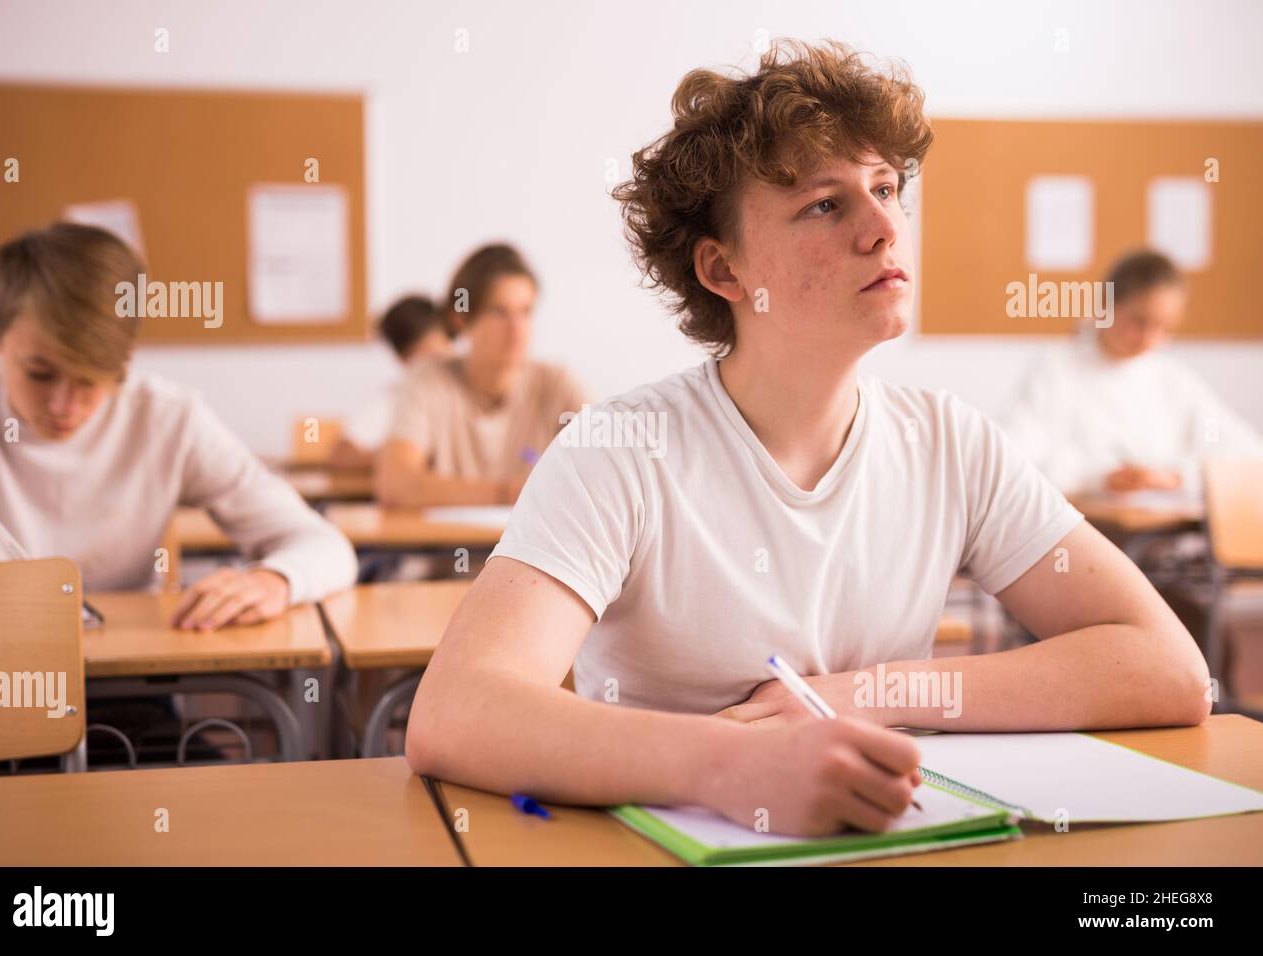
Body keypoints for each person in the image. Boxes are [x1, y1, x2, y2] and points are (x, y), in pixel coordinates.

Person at [405, 40, 1210, 838]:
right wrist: (726, 765)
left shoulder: (951, 443)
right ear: (725, 272)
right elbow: (457, 712)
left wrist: (865, 695)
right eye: (827, 204)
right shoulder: (623, 449)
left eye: (887, 188)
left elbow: (1171, 671)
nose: (885, 228)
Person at [0, 222, 357, 631]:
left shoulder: (167, 418)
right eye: (40, 374)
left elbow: (325, 545)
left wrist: (274, 580)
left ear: (127, 357)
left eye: (92, 378)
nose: (64, 405)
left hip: (130, 675)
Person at [1003, 249, 1263, 497]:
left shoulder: (1170, 379)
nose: (1149, 339)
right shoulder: (1057, 371)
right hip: (1089, 528)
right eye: (1139, 322)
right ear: (1106, 304)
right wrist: (1097, 478)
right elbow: (1018, 459)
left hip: (1164, 528)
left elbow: (1232, 444)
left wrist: (1177, 476)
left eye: (1165, 327)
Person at [374, 243, 588, 507]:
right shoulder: (429, 381)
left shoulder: (557, 383)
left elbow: (606, 469)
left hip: (536, 547)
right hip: (447, 545)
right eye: (499, 312)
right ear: (461, 319)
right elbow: (397, 485)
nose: (517, 329)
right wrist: (510, 493)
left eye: (526, 311)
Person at [330, 294, 454, 469]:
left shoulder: (472, 389)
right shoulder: (397, 398)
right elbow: (341, 455)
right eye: (423, 356)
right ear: (403, 360)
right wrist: (401, 454)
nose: (432, 364)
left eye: (440, 351)